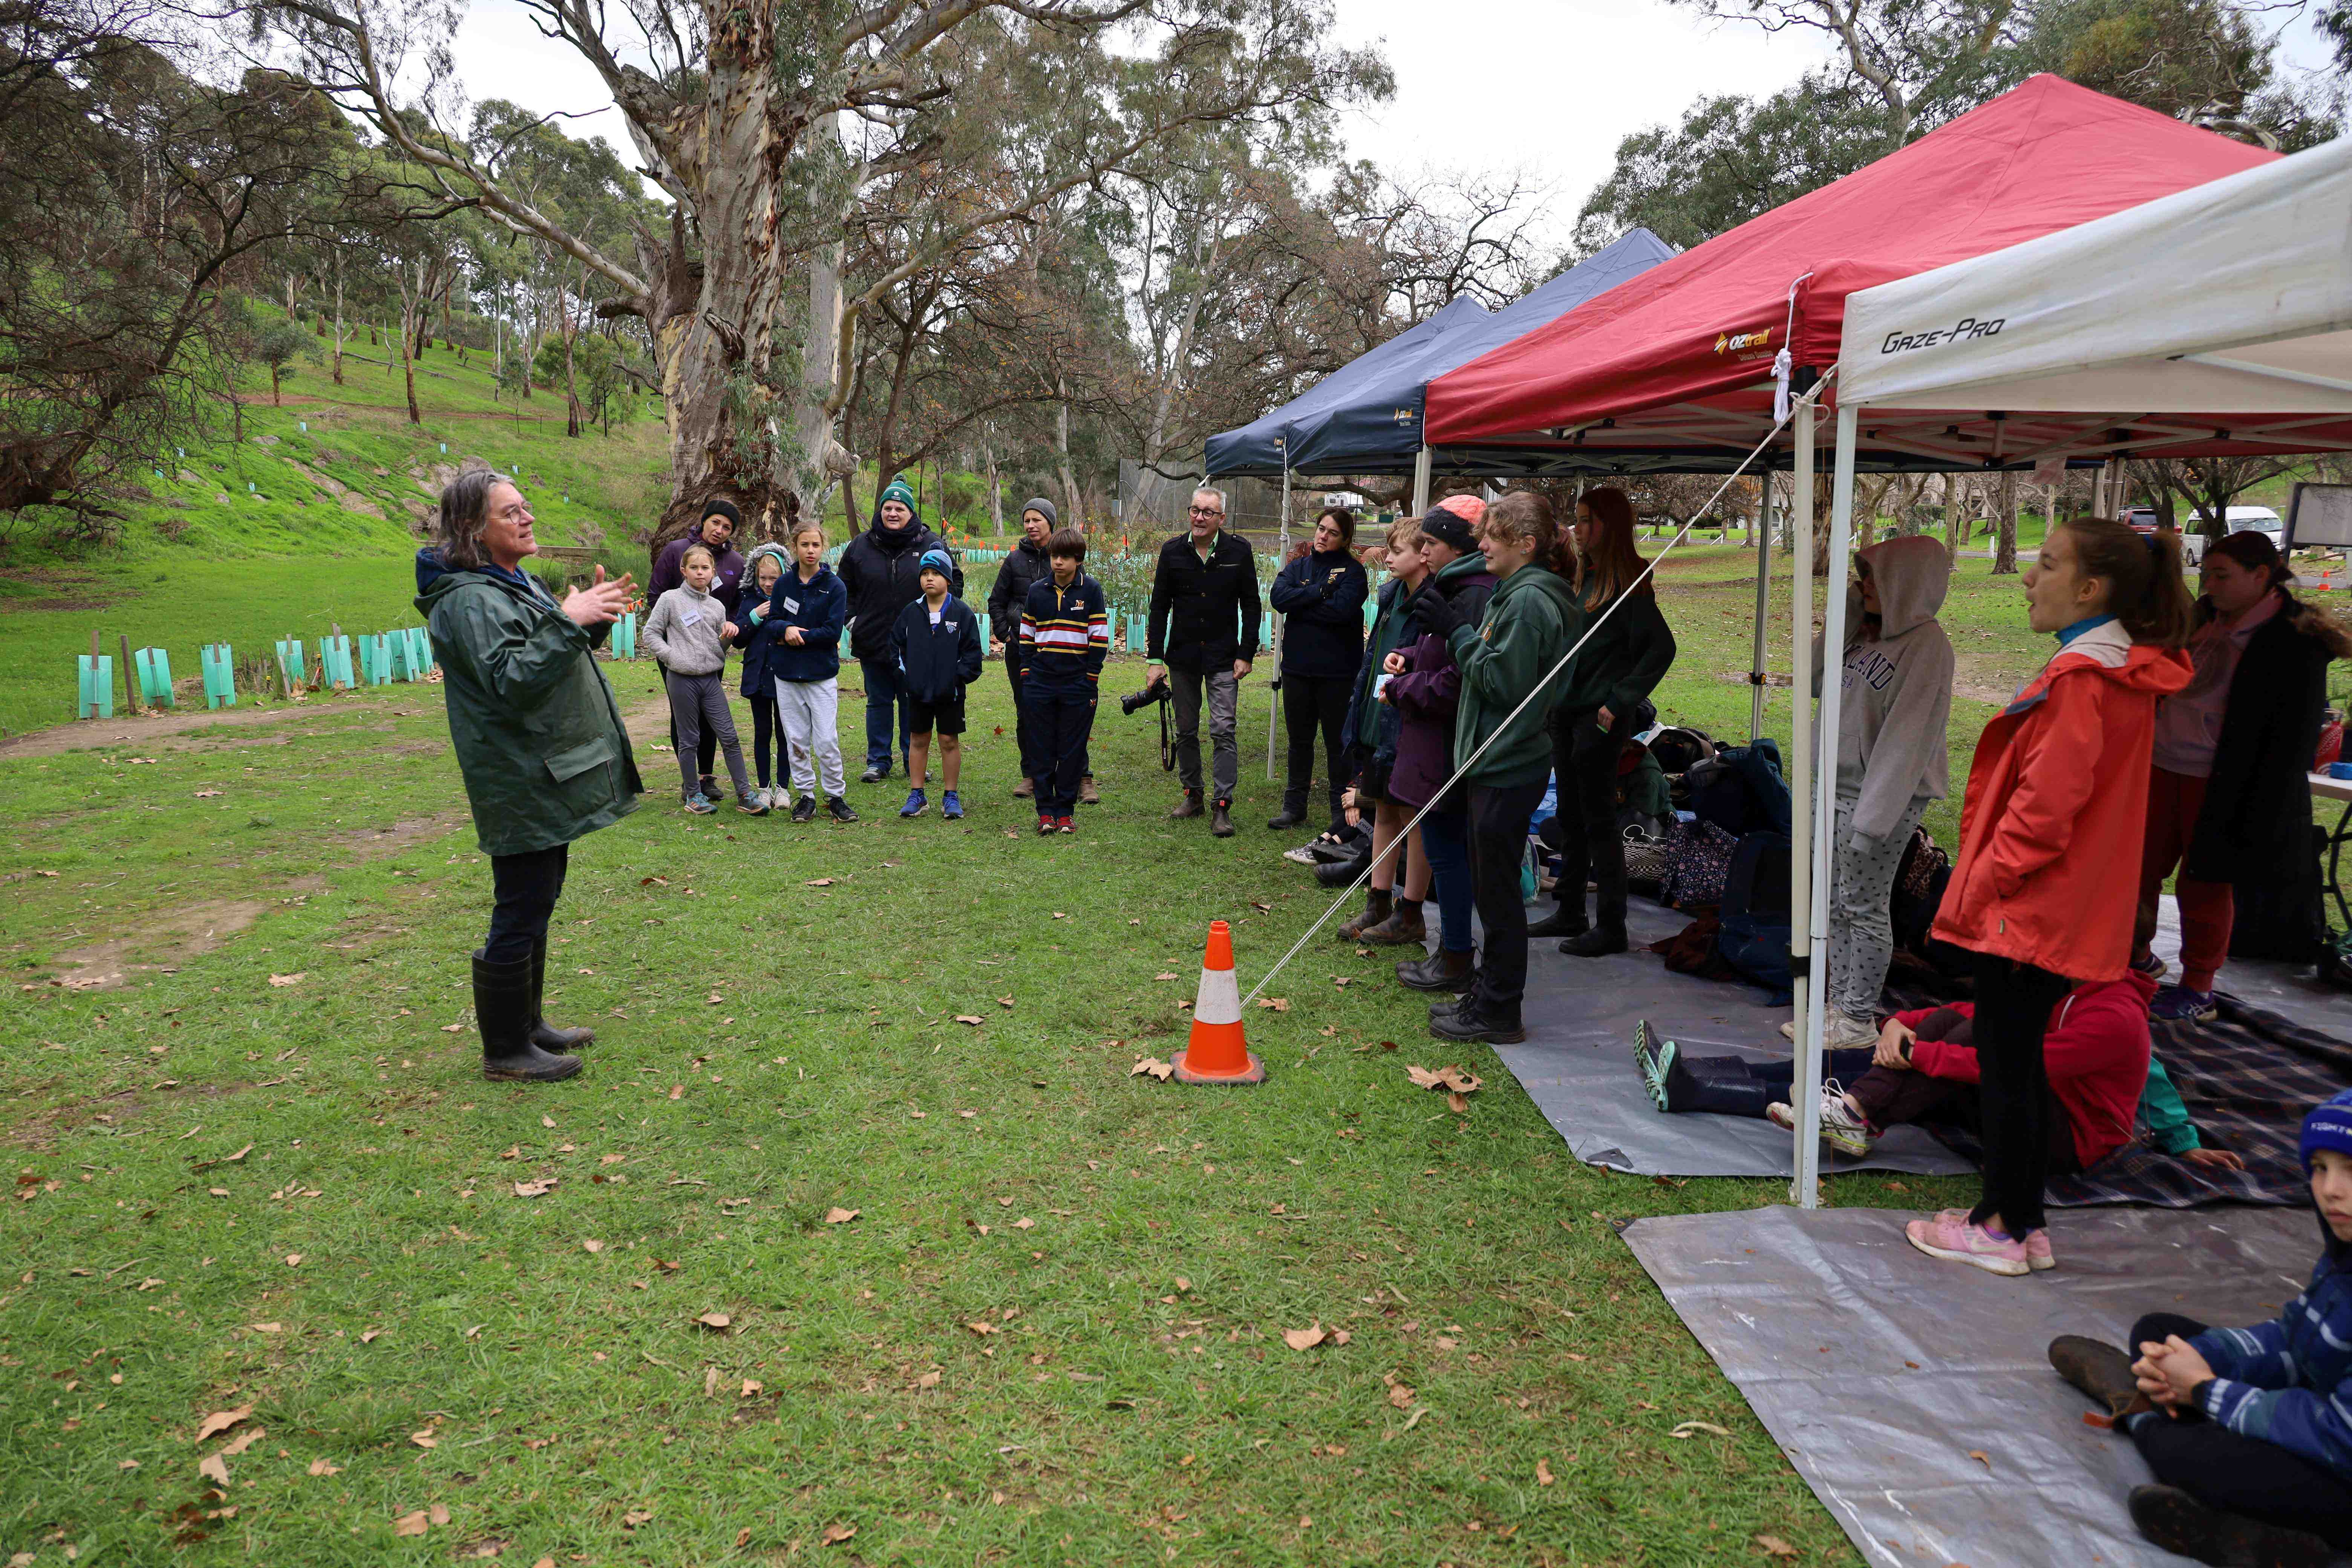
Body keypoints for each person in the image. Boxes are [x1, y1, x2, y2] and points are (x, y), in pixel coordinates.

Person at [1906, 518, 2193, 1277]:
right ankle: (2020, 1221)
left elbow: (2045, 810)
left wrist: (1986, 882)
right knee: (2019, 1062)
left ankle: (1999, 1227)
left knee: (2008, 1066)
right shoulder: (2117, 673)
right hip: (2056, 908)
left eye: (2046, 563)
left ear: (2091, 589)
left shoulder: (2081, 680)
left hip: (2029, 909)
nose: (2030, 579)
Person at [2045, 1090, 2352, 1567]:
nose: (2331, 1189)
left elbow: (2338, 1434)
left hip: (2342, 1455)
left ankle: (2139, 1411)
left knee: (2194, 1453)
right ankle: (2275, 1536)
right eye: (2321, 1167)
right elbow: (2295, 1338)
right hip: (2320, 1415)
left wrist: (2209, 1392)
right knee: (2160, 1330)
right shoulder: (2344, 1257)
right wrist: (2201, 1359)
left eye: (2351, 1169)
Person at [416, 470, 639, 1083]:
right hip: (515, 776)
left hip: (543, 770)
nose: (528, 519)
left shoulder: (508, 582)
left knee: (540, 897)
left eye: (527, 508)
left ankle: (528, 1025)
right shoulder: (466, 600)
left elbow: (543, 653)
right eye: (511, 512)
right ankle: (505, 1049)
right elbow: (511, 681)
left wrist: (591, 619)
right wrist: (569, 619)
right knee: (520, 904)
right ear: (472, 529)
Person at [2132, 530, 2352, 1021]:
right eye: (2206, 574)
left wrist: (2260, 801)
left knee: (2204, 883)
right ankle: (2136, 958)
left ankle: (2198, 986)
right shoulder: (2205, 617)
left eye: (2222, 575)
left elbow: (2292, 736)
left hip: (2222, 781)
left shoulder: (2295, 636)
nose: (2209, 584)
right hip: (2163, 764)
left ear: (2261, 575)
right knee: (2136, 869)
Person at [1409, 491, 1579, 1044]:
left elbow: (1505, 685)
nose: (1480, 544)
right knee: (1491, 889)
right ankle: (1488, 989)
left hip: (1508, 763)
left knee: (1499, 895)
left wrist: (1457, 631)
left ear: (1524, 545)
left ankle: (1501, 1010)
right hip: (1496, 761)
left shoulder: (1530, 602)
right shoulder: (1517, 593)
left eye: (1492, 537)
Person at [1814, 536, 1954, 1045]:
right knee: (1831, 904)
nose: (1864, 584)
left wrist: (1870, 822)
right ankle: (1835, 1009)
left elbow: (1907, 741)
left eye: (1873, 576)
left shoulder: (1929, 647)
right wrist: (1849, 614)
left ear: (1907, 581)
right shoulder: (1866, 634)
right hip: (1837, 785)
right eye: (1862, 575)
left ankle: (1856, 1018)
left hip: (1883, 798)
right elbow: (1813, 678)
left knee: (1863, 904)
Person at [1536, 487, 1676, 958]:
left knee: (1598, 820)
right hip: (1566, 711)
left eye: (1585, 520)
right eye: (1576, 519)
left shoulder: (1629, 580)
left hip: (1598, 718)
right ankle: (1570, 908)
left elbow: (1660, 648)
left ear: (1609, 525)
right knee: (1571, 816)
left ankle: (1611, 925)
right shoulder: (1583, 573)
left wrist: (1620, 700)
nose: (1577, 528)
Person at [1337, 500, 1482, 939]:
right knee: (1382, 808)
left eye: (1401, 549)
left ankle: (1410, 909)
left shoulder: (1442, 600)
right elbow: (1378, 659)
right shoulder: (1391, 597)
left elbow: (1445, 668)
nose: (1393, 557)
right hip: (1381, 713)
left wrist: (1403, 681)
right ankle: (1377, 900)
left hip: (1411, 721)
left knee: (1414, 819)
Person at [1383, 504, 1499, 995]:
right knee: (1441, 847)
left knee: (1447, 855)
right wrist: (1408, 658)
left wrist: (1403, 689)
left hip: (1445, 744)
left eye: (1432, 542)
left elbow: (1456, 682)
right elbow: (1439, 654)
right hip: (1429, 742)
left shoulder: (1471, 597)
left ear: (1458, 545)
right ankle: (1451, 950)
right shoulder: (1451, 587)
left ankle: (1455, 955)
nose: (1425, 550)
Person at [1146, 485, 1261, 836]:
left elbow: (1252, 605)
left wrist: (1246, 653)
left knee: (1223, 729)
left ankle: (1222, 806)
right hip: (1182, 656)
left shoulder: (1238, 551)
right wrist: (1155, 658)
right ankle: (1193, 794)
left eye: (1208, 512)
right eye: (1195, 510)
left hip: (1224, 657)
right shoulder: (1172, 551)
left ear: (1221, 518)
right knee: (1186, 730)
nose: (1199, 517)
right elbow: (1159, 606)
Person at [838, 476, 960, 784]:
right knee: (878, 701)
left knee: (913, 701)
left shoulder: (931, 543)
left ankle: (912, 759)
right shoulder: (860, 546)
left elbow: (954, 582)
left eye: (900, 508)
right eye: (888, 508)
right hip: (873, 639)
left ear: (911, 512)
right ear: (881, 511)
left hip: (917, 644)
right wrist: (852, 620)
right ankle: (878, 761)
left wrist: (938, 620)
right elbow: (843, 589)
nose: (893, 514)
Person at [1268, 506, 1369, 835]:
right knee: (1299, 741)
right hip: (1297, 670)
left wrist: (1303, 603)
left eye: (1333, 532)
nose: (1323, 536)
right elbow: (1279, 597)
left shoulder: (1354, 573)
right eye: (1321, 529)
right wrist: (1319, 592)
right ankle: (1294, 807)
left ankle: (1339, 812)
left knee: (1337, 745)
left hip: (1337, 674)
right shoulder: (1299, 566)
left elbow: (1341, 611)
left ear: (1345, 539)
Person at [644, 544, 759, 816]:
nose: (699, 573)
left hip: (710, 680)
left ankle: (745, 793)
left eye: (705, 568)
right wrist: (672, 657)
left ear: (713, 572)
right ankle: (693, 794)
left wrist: (728, 637)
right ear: (684, 571)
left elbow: (719, 649)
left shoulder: (717, 607)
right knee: (689, 740)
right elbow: (650, 634)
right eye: (694, 568)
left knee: (729, 736)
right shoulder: (670, 600)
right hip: (682, 679)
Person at [766, 519, 856, 824]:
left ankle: (835, 796)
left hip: (821, 675)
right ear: (795, 547)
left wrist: (795, 637)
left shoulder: (835, 587)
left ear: (823, 547)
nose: (810, 550)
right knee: (796, 740)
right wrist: (785, 629)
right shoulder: (783, 585)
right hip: (787, 675)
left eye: (816, 545)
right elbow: (773, 621)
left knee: (827, 740)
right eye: (805, 544)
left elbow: (832, 632)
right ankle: (806, 797)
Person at [1019, 527, 1109, 833]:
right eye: (1055, 556)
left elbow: (1099, 638)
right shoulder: (1036, 591)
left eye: (1066, 557)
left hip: (1078, 683)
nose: (1059, 562)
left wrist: (1091, 677)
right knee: (1041, 749)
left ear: (1079, 560)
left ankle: (1066, 812)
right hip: (1040, 682)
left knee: (1072, 750)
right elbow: (1026, 637)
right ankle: (1045, 812)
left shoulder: (1092, 590)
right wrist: (1027, 674)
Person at [892, 548, 983, 820]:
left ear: (948, 578)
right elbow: (894, 647)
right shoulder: (910, 613)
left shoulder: (962, 613)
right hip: (918, 692)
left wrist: (955, 679)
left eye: (936, 574)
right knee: (918, 740)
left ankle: (951, 796)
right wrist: (907, 677)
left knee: (948, 741)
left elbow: (973, 655)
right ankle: (917, 795)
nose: (930, 579)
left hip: (950, 694)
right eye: (925, 574)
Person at [988, 498, 1057, 802]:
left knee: (1067, 710)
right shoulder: (1014, 560)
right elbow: (996, 601)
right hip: (1022, 650)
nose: (1030, 526)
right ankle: (1030, 774)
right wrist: (1006, 634)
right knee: (1027, 710)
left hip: (1060, 648)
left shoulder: (1064, 555)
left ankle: (1077, 775)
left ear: (1050, 524)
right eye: (1027, 520)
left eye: (1037, 520)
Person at [733, 543, 792, 812]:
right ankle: (764, 787)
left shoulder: (791, 599)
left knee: (784, 734)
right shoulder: (749, 601)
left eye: (774, 578)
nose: (769, 584)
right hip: (757, 677)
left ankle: (783, 787)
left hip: (783, 676)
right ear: (755, 577)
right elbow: (738, 640)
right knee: (762, 732)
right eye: (763, 578)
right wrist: (755, 617)